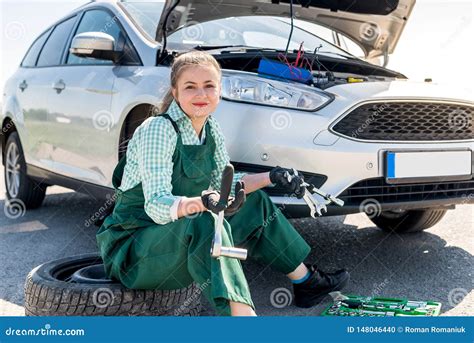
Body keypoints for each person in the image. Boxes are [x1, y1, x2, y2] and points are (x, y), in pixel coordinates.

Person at [96, 50, 349, 316]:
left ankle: (306, 282)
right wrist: (204, 203)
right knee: (205, 221)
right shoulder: (158, 129)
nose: (201, 95)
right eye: (190, 87)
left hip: (177, 235)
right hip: (134, 248)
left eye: (209, 86)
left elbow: (224, 183)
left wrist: (272, 177)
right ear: (175, 91)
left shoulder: (211, 129)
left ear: (219, 91)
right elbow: (158, 205)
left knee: (255, 202)